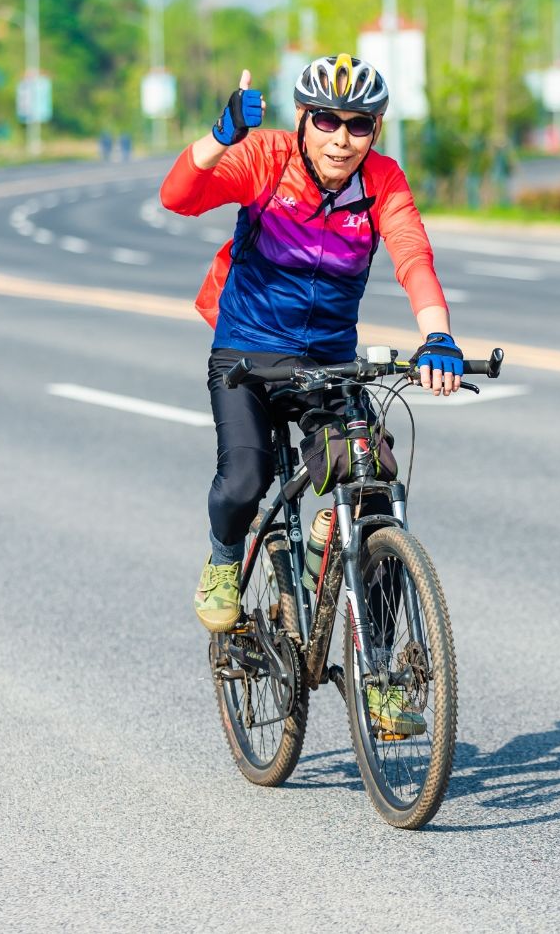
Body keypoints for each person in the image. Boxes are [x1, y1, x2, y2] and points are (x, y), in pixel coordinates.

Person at [159, 54, 465, 735]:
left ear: (376, 129)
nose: (341, 138)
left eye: (359, 125)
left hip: (329, 363)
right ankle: (223, 558)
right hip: (247, 356)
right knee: (246, 479)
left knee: (373, 488)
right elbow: (178, 197)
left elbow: (412, 255)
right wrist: (219, 138)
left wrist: (437, 335)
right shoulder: (264, 157)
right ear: (303, 118)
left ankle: (380, 680)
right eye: (327, 120)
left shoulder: (381, 180)